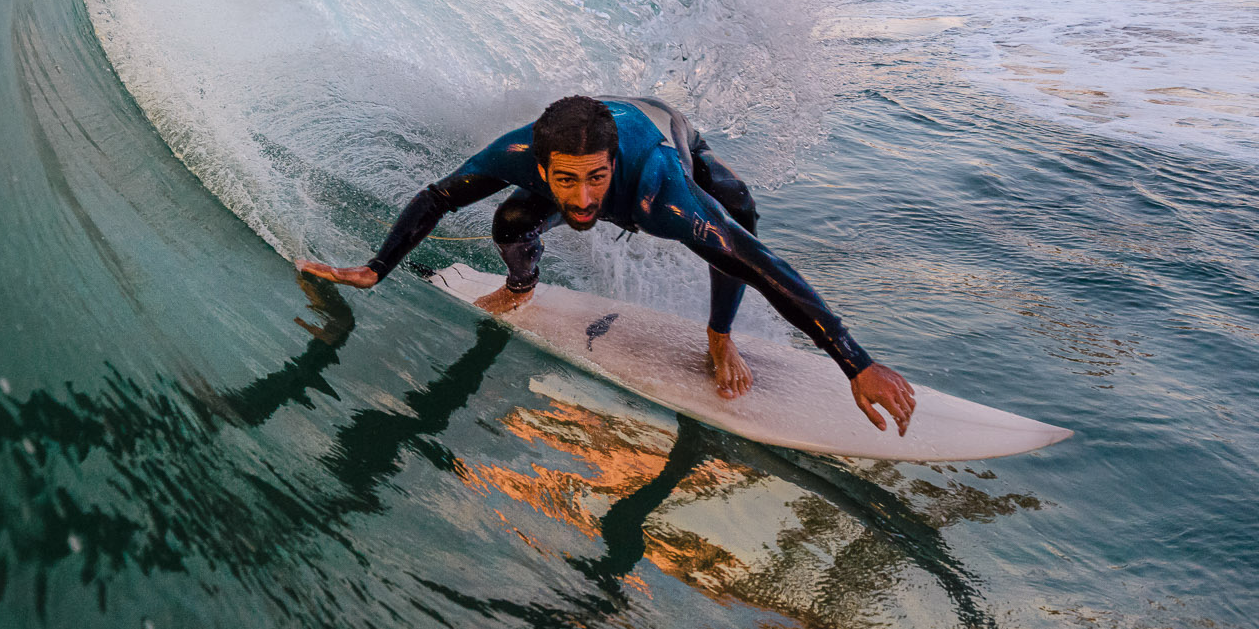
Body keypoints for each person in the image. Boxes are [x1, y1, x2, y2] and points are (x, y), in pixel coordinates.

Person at [297, 95, 917, 435]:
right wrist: (376, 267)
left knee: (736, 223)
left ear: (612, 166)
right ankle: (521, 286)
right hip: (591, 129)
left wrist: (856, 362)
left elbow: (762, 265)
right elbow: (438, 197)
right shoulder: (515, 154)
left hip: (666, 130)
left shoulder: (660, 190)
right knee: (510, 222)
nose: (583, 199)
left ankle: (719, 335)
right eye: (566, 181)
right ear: (540, 168)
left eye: (596, 179)